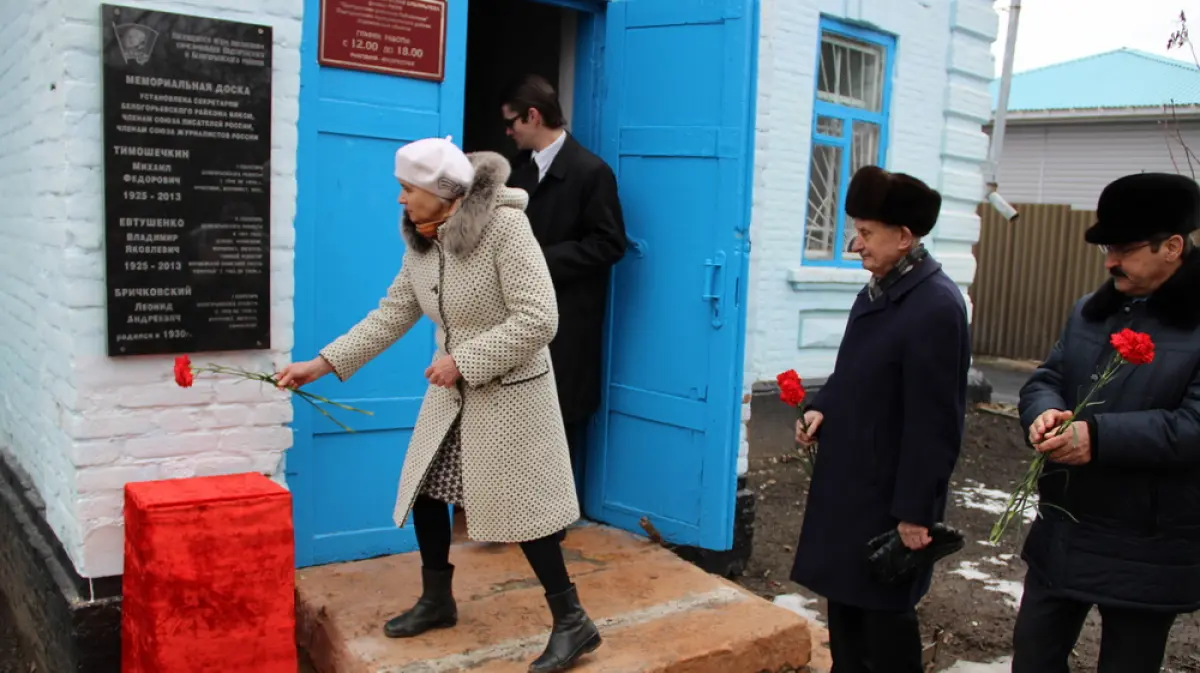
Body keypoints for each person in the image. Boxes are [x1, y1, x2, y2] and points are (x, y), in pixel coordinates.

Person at [276, 137, 601, 672]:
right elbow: (392, 314)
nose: (400, 199)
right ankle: (437, 600)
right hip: (452, 395)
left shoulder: (505, 229)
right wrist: (322, 364)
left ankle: (573, 623)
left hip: (510, 393)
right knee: (430, 491)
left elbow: (540, 319)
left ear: (442, 192)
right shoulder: (423, 243)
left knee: (526, 513)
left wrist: (464, 361)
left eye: (408, 189)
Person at [1012, 172, 1200, 673]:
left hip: (1147, 545)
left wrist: (1096, 438)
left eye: (1124, 248)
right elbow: (1045, 379)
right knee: (1032, 659)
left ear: (1173, 246)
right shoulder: (1089, 313)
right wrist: (1042, 412)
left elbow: (1195, 425)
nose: (1110, 261)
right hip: (1065, 530)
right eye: (1107, 248)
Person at [789, 165, 970, 673]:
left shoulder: (935, 306)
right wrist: (820, 407)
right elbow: (853, 373)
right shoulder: (878, 291)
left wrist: (915, 511)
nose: (856, 244)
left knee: (884, 629)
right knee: (847, 621)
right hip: (851, 489)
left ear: (904, 236)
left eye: (867, 233)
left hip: (888, 501)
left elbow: (937, 422)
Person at [500, 74, 627, 494]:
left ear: (533, 116)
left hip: (568, 319)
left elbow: (610, 244)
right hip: (519, 317)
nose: (509, 131)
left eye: (513, 121)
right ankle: (517, 513)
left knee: (559, 416)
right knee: (516, 414)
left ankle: (551, 519)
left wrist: (541, 260)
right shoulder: (519, 176)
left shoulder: (592, 172)